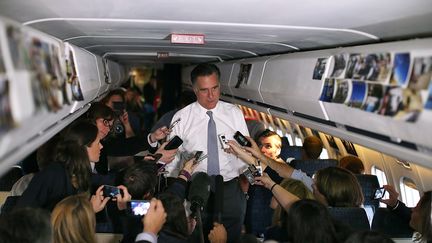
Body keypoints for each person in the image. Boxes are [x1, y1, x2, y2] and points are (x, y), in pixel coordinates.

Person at [165, 63, 250, 242]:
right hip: (196, 187)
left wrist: (245, 179)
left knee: (231, 235)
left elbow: (247, 151)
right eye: (204, 90)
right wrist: (177, 195)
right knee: (197, 234)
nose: (211, 96)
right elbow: (171, 159)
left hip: (229, 186)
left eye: (215, 88)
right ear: (195, 90)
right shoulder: (182, 118)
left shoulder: (234, 113)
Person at [17, 121, 103, 210]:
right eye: (98, 142)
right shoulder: (53, 174)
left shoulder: (78, 173)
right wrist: (89, 209)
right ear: (85, 146)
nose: (101, 146)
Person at [86, 102, 175, 175]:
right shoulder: (81, 142)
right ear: (93, 118)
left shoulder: (102, 143)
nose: (107, 130)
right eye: (105, 122)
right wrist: (147, 163)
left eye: (110, 126)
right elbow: (103, 179)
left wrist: (153, 137)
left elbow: (124, 146)